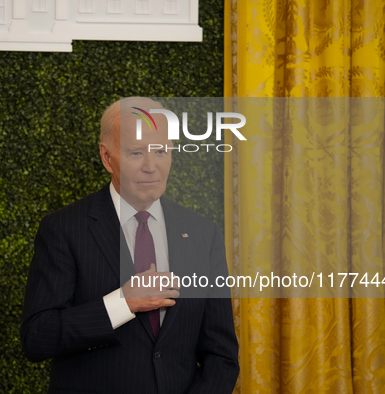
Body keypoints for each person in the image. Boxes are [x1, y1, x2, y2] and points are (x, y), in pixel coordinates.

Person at [20, 97, 239, 394]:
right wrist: (122, 302)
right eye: (136, 152)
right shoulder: (64, 228)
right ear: (107, 157)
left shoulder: (204, 233)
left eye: (160, 151)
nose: (151, 166)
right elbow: (37, 337)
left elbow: (222, 355)